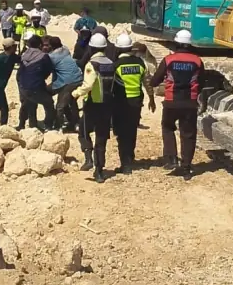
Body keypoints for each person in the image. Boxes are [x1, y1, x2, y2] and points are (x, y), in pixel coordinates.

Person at [148, 29, 204, 179]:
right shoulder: (198, 61)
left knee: (167, 127)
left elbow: (156, 80)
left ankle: (171, 158)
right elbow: (202, 82)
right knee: (188, 134)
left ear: (176, 43)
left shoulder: (169, 60)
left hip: (171, 102)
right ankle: (186, 166)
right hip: (190, 103)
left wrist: (151, 83)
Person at [72, 32, 115, 182]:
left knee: (83, 131)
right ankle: (99, 170)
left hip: (92, 105)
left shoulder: (92, 64)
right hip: (107, 106)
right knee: (101, 138)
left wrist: (75, 93)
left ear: (91, 48)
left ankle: (88, 158)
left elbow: (88, 85)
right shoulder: (111, 63)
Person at [111, 33, 155, 174]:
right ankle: (130, 157)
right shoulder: (140, 63)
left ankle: (125, 164)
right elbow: (147, 82)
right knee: (132, 130)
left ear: (118, 48)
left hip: (121, 103)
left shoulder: (116, 65)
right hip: (136, 102)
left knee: (121, 133)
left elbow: (111, 86)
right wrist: (152, 99)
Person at [16, 33, 57, 130]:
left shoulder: (24, 54)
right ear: (40, 45)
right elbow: (48, 70)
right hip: (36, 86)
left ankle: (25, 124)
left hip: (22, 85)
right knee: (49, 102)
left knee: (28, 103)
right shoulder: (43, 56)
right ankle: (48, 125)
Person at [44, 35, 83, 132]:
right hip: (78, 78)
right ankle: (75, 122)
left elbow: (46, 69)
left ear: (51, 46)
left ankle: (58, 126)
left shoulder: (51, 57)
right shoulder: (65, 50)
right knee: (71, 101)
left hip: (67, 82)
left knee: (59, 105)